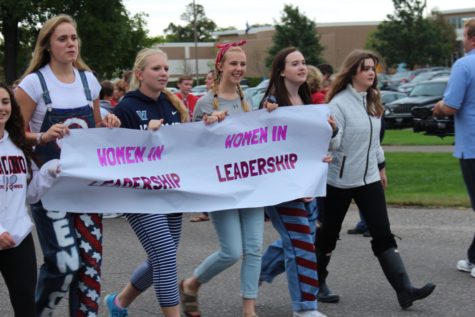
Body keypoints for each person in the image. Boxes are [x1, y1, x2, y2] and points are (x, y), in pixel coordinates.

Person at [14, 14, 120, 316]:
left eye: (73, 38)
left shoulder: (89, 80)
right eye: (63, 38)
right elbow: (14, 134)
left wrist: (108, 123)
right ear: (48, 45)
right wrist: (42, 135)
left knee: (89, 269)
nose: (70, 43)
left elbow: (95, 128)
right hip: (50, 188)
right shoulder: (34, 83)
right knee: (65, 265)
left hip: (86, 187)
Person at [316, 49, 435, 310]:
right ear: (352, 72)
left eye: (373, 67)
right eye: (365, 68)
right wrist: (333, 129)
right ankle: (316, 282)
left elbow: (374, 142)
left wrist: (381, 167)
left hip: (368, 177)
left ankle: (404, 290)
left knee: (382, 233)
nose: (371, 72)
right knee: (328, 235)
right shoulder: (338, 103)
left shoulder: (372, 99)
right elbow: (334, 145)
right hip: (340, 180)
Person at [180, 40, 264, 317]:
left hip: (249, 185)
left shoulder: (248, 100)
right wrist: (207, 126)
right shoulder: (205, 102)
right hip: (220, 187)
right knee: (231, 251)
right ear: (220, 66)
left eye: (242, 64)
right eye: (233, 64)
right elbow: (191, 145)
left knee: (253, 249)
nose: (239, 69)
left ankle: (248, 309)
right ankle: (191, 284)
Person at [104, 47, 189, 317]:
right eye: (156, 68)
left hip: (172, 192)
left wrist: (210, 124)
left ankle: (118, 303)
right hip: (140, 196)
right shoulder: (127, 107)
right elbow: (117, 154)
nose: (163, 73)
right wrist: (140, 136)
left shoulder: (172, 104)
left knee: (161, 259)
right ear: (140, 74)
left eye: (165, 68)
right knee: (165, 256)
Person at [258, 47, 331, 317]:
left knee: (300, 239)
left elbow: (309, 146)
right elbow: (262, 144)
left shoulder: (307, 102)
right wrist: (268, 115)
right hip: (282, 189)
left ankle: (259, 271)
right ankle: (304, 307)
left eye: (303, 62)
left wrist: (323, 153)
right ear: (281, 70)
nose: (302, 67)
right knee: (301, 243)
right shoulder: (271, 104)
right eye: (294, 63)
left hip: (308, 186)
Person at [0, 83, 61, 317]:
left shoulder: (18, 144)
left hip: (19, 237)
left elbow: (29, 195)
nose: (1, 108)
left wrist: (49, 172)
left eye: (5, 102)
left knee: (26, 306)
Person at [433, 18, 475, 278]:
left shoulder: (464, 64)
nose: (462, 42)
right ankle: (472, 258)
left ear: (472, 39)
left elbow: (450, 106)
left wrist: (438, 106)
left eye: (464, 37)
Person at [189, 69, 216, 223]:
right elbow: (194, 130)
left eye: (210, 79)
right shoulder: (203, 102)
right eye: (206, 79)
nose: (207, 82)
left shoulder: (244, 98)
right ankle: (206, 210)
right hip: (208, 154)